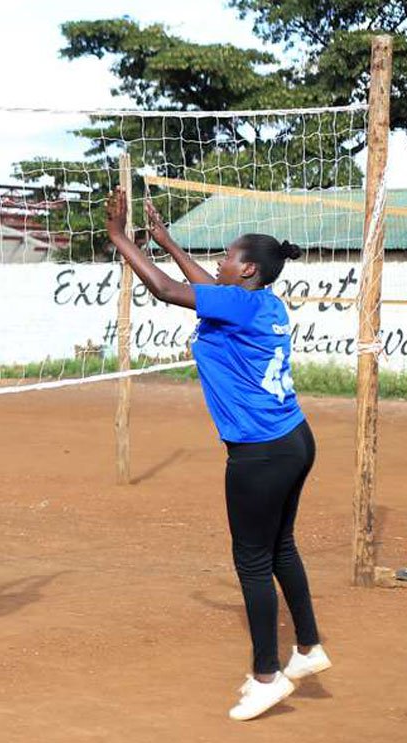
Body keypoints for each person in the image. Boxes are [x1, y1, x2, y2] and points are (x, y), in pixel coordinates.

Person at [109, 190, 332, 721]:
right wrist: (167, 241)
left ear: (248, 268)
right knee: (280, 547)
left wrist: (119, 238)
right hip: (294, 440)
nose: (219, 261)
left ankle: (266, 676)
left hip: (260, 453)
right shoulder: (262, 302)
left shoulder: (239, 303)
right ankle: (307, 649)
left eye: (228, 256)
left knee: (253, 561)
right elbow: (203, 288)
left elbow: (166, 290)